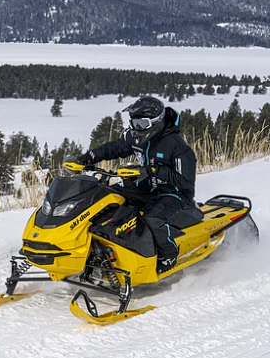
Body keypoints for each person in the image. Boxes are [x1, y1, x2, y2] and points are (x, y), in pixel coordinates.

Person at [69, 96, 196, 274]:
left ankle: (169, 255)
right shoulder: (134, 137)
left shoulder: (176, 146)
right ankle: (98, 250)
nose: (137, 128)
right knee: (106, 199)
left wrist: (152, 171)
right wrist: (87, 158)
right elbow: (113, 148)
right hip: (143, 189)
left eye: (142, 124)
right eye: (134, 123)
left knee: (153, 218)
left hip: (174, 193)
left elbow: (184, 181)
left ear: (157, 121)